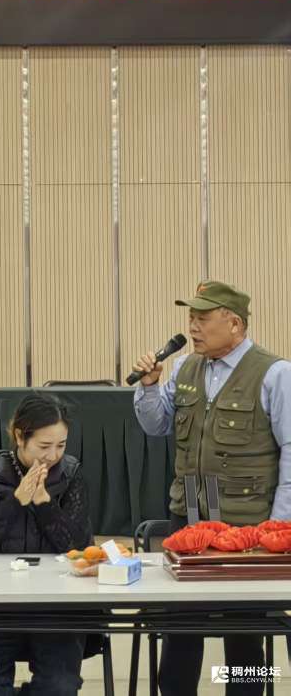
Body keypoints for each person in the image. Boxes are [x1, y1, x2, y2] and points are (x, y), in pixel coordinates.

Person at [133, 280, 291, 696]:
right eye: (191, 318)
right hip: (188, 520)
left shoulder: (275, 373)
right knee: (181, 626)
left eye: (202, 319)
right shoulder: (186, 368)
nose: (193, 327)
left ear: (234, 324)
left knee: (244, 636)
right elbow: (156, 425)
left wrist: (279, 525)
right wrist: (149, 386)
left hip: (247, 527)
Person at [0, 393, 91, 696]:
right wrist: (16, 500)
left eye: (61, 445)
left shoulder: (71, 473)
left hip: (57, 606)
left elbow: (78, 547)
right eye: (44, 446)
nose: (53, 455)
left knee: (59, 687)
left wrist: (44, 503)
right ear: (20, 436)